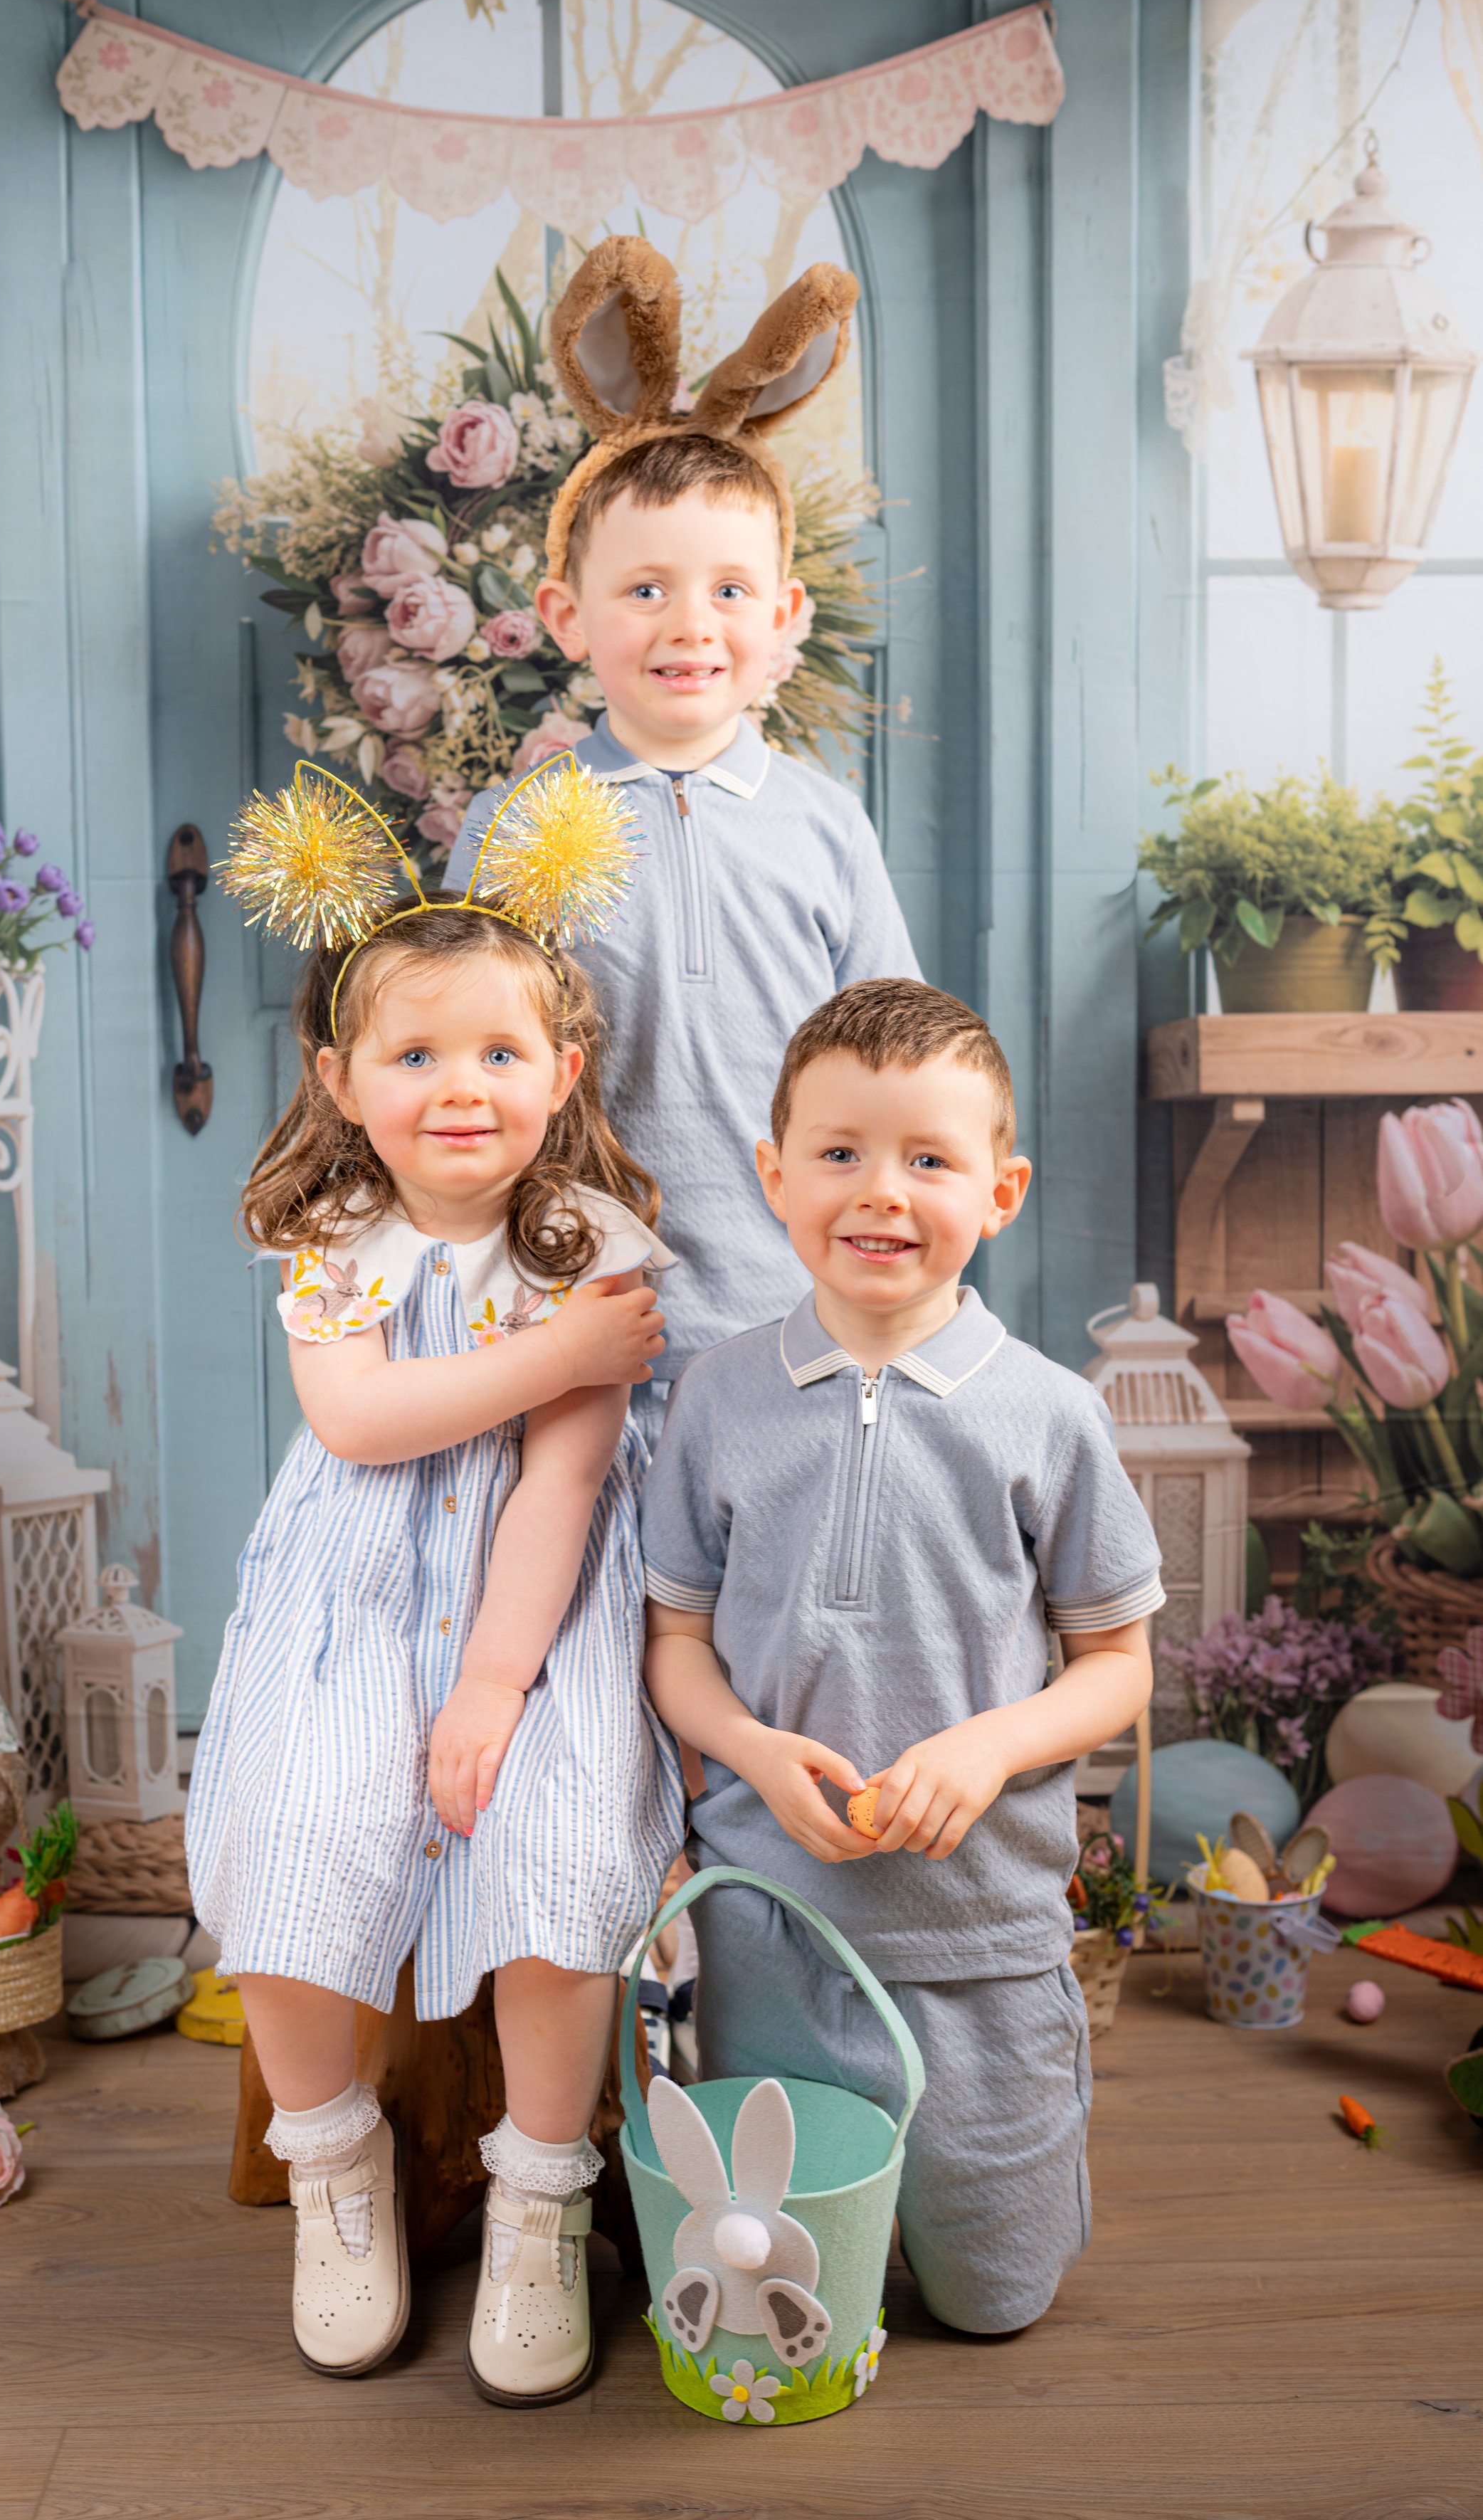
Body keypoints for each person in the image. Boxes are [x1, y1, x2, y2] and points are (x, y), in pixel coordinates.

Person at [186, 764, 683, 2403]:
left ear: (562, 1063)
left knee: (551, 1846)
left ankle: (542, 2190)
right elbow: (360, 1416)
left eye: (495, 1051)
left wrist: (490, 1686)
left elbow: (563, 1478)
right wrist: (553, 1352)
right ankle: (338, 2163)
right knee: (298, 1821)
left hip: (531, 1616)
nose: (456, 1087)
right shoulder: (330, 1230)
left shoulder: (592, 1243)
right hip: (342, 1598)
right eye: (410, 1054)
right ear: (338, 1076)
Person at [640, 976, 1163, 2339]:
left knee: (997, 2305)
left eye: (929, 1158)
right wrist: (746, 1748)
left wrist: (988, 1745)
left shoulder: (1049, 1416)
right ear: (772, 1175)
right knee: (792, 2294)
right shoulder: (715, 1400)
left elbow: (1118, 1666)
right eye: (840, 1153)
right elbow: (676, 1647)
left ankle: (999, 2183)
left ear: (1003, 1190)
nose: (881, 1191)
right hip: (776, 1926)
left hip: (979, 1931)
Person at [448, 236, 920, 1440]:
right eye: (645, 589)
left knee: (777, 1615)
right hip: (586, 1322)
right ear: (567, 616)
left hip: (800, 1322)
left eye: (726, 590)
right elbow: (460, 1058)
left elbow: (897, 1066)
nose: (688, 624)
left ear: (783, 617)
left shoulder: (823, 826)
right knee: (616, 1618)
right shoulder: (522, 826)